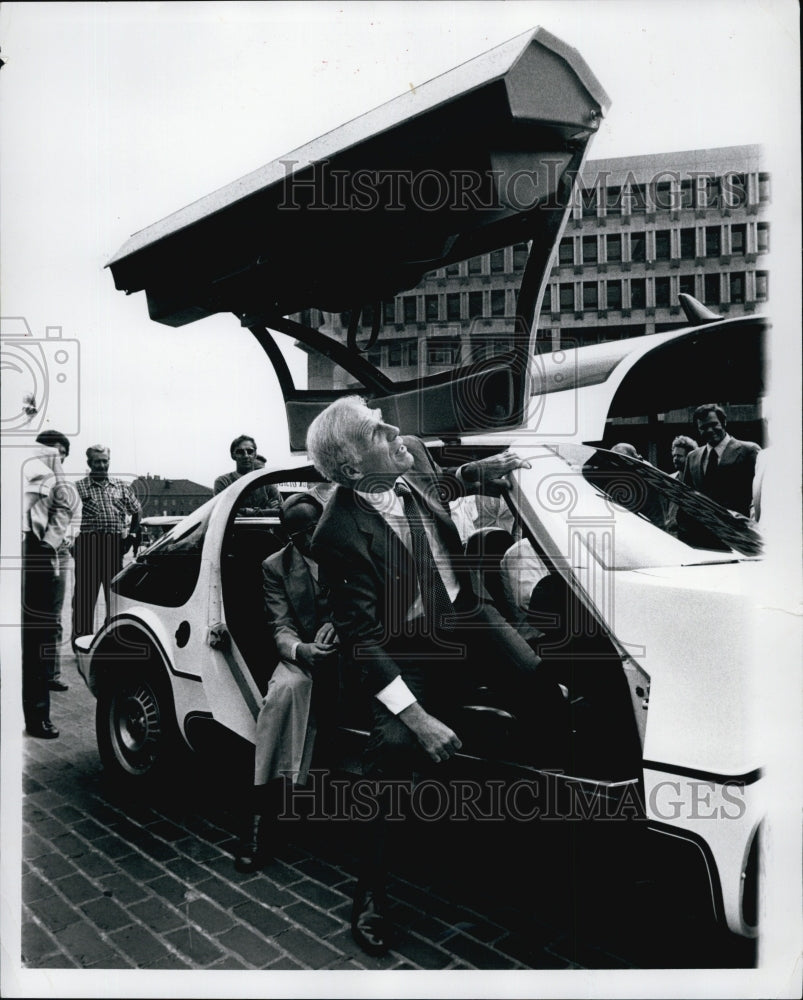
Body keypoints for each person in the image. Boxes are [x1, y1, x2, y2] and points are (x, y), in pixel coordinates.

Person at [306, 395, 568, 956]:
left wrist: (479, 472)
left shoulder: (412, 456)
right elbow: (362, 641)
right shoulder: (336, 535)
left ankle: (540, 847)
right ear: (353, 469)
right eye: (378, 431)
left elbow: (441, 482)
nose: (396, 429)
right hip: (408, 651)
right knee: (395, 750)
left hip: (468, 617)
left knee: (545, 694)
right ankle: (371, 894)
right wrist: (418, 717)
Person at [233, 492, 340, 873]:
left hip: (355, 653)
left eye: (314, 528)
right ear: (288, 538)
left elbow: (373, 602)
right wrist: (301, 651)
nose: (310, 538)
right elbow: (279, 626)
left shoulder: (348, 549)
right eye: (298, 534)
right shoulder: (275, 566)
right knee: (282, 694)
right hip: (305, 656)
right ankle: (261, 818)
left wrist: (341, 626)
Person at [22, 430, 80, 738]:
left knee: (41, 627)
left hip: (40, 548)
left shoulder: (47, 460)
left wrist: (49, 544)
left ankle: (38, 706)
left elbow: (65, 508)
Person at [72, 445, 141, 643]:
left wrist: (131, 536)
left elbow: (136, 511)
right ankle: (81, 642)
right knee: (85, 600)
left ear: (109, 461)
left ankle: (110, 641)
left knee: (114, 597)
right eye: (97, 461)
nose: (101, 465)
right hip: (88, 546)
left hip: (114, 546)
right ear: (89, 463)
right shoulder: (78, 487)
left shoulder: (121, 486)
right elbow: (68, 516)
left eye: (105, 461)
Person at [681, 404, 761, 516]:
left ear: (724, 423)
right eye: (703, 427)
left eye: (713, 424)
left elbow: (760, 494)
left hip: (739, 529)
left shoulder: (749, 451)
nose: (709, 430)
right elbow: (687, 498)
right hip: (701, 530)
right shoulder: (692, 457)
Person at [213, 434, 281, 514]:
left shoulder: (267, 482)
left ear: (255, 454)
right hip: (235, 527)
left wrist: (242, 511)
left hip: (263, 527)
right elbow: (223, 512)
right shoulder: (223, 482)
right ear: (233, 455)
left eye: (250, 451)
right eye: (240, 452)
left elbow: (280, 510)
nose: (245, 456)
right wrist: (265, 510)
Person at [663, 435, 697, 534]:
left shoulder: (696, 480)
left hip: (690, 533)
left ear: (689, 457)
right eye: (674, 455)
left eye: (679, 456)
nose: (675, 459)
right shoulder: (670, 479)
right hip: (670, 532)